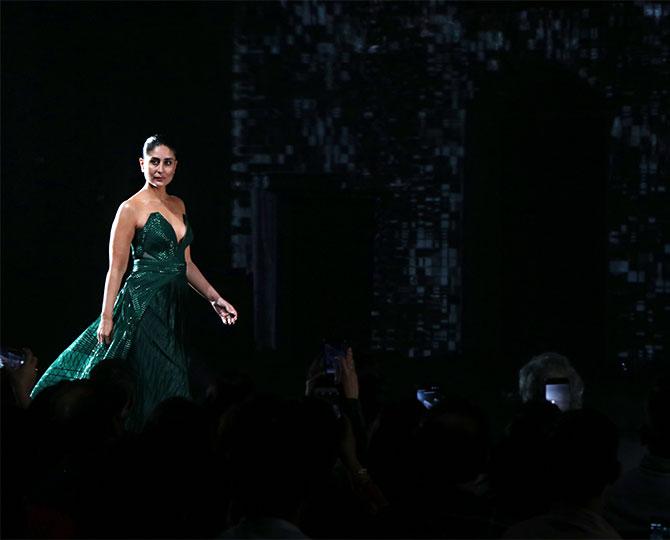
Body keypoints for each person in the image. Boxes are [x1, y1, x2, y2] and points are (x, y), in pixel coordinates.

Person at [31, 134, 238, 430]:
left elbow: (185, 263)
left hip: (174, 306)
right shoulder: (130, 208)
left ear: (175, 167)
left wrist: (214, 298)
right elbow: (116, 269)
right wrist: (106, 316)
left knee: (173, 374)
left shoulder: (179, 204)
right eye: (154, 162)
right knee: (158, 377)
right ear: (142, 164)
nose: (160, 169)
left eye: (167, 163)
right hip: (144, 304)